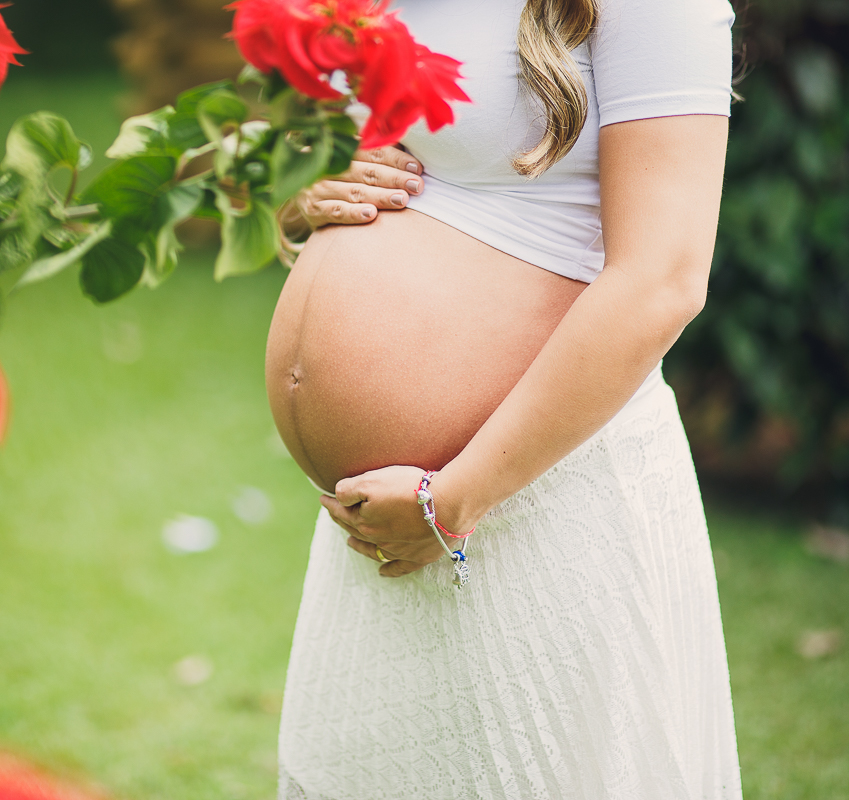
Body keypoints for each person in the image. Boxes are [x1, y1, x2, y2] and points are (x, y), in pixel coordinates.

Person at [262, 0, 743, 797]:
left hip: (534, 497)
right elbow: (347, 165)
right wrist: (308, 185)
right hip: (384, 521)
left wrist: (453, 500)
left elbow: (662, 280)